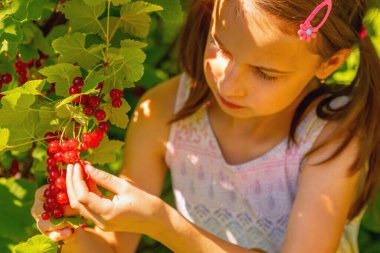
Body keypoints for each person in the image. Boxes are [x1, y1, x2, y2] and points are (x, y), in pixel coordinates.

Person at [32, 0, 380, 252]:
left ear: (330, 62)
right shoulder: (164, 110)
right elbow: (113, 247)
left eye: (264, 73)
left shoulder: (332, 135)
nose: (228, 84)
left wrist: (161, 222)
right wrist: (72, 232)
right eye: (220, 46)